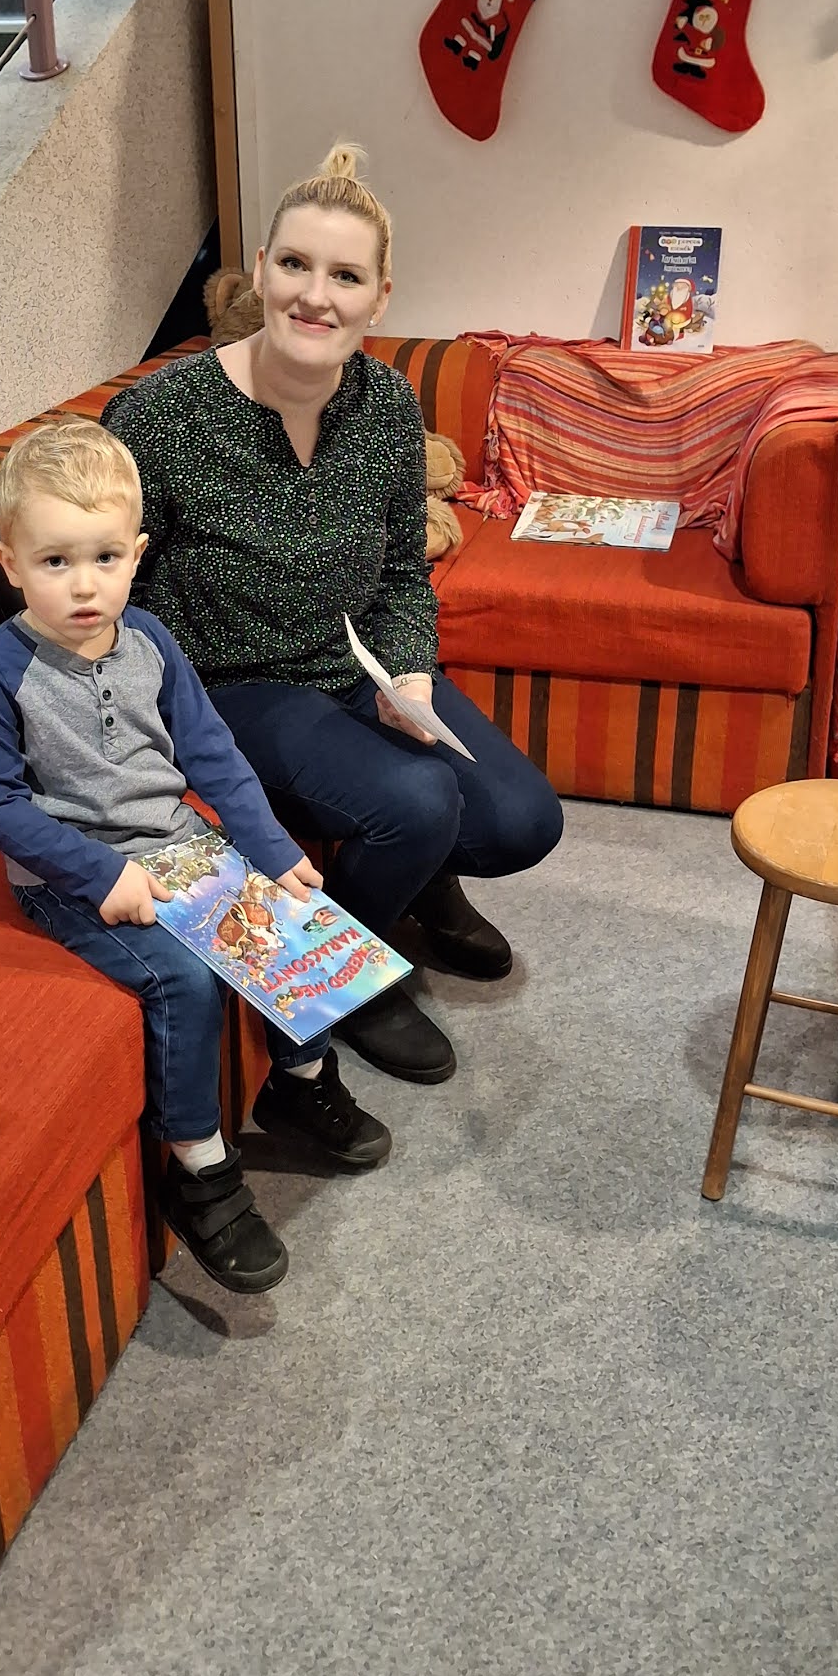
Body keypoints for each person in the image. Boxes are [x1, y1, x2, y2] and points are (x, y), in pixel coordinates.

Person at [103, 144, 564, 1085]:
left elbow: (399, 572)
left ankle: (420, 877)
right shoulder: (159, 418)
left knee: (523, 821)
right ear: (260, 272)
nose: (316, 296)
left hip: (350, 664)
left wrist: (411, 673)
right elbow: (111, 593)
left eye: (345, 276)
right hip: (220, 687)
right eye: (295, 265)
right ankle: (351, 972)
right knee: (418, 801)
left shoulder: (386, 404)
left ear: (379, 298)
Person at [0, 418, 391, 1298]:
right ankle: (199, 1168)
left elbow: (211, 752)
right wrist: (102, 875)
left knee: (288, 923)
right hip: (74, 872)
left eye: (105, 558)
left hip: (180, 841)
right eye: (55, 562)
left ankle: (302, 1080)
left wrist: (271, 851)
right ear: (10, 564)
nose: (85, 585)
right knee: (182, 980)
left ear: (137, 554)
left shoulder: (151, 638)